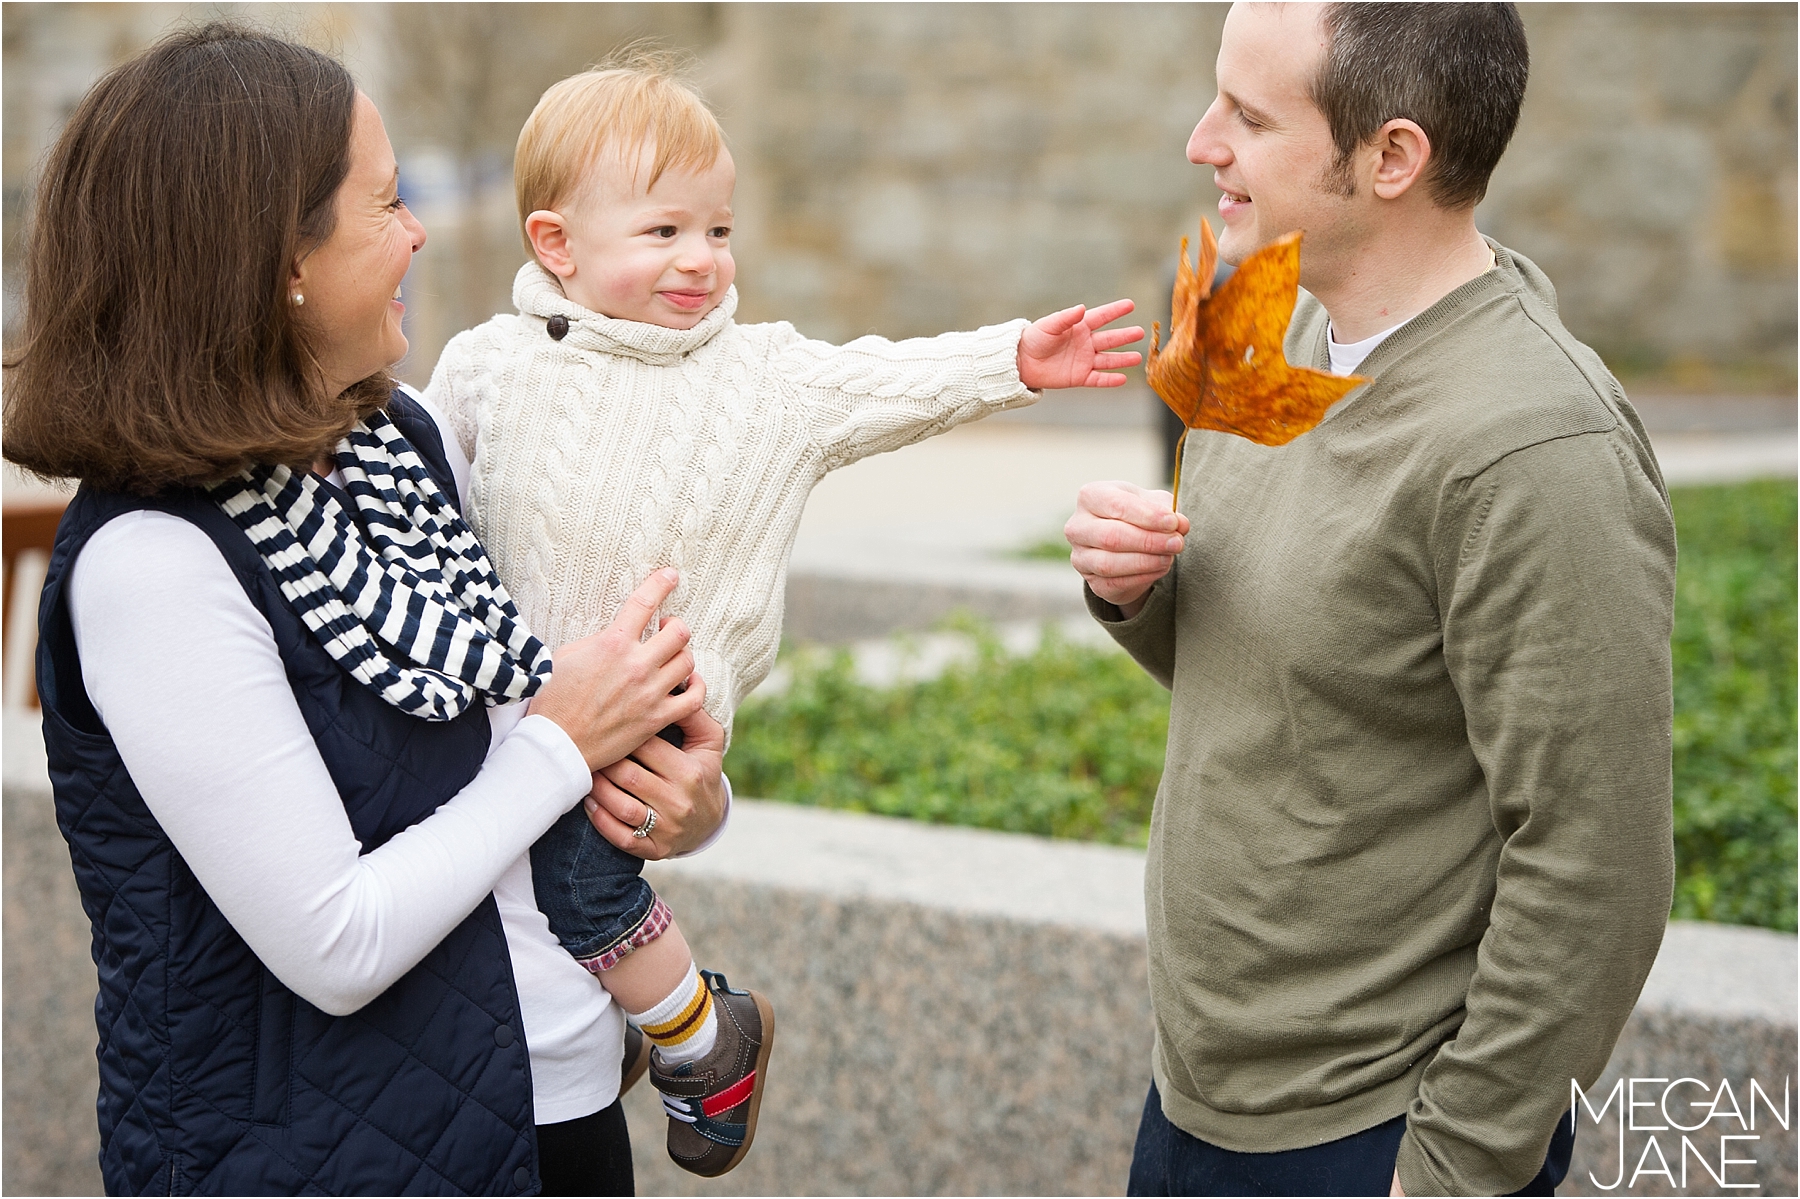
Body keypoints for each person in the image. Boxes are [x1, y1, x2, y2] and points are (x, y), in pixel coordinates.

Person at [2, 26, 730, 1196]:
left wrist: (683, 804)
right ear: (273, 259)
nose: (420, 229)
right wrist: (564, 742)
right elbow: (338, 941)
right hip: (319, 1155)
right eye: (385, 202)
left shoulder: (401, 443)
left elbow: (522, 757)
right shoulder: (155, 561)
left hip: (554, 1091)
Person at [422, 54, 1145, 1176]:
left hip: (654, 709)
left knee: (582, 877)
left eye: (718, 231)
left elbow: (889, 381)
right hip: (514, 703)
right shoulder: (485, 366)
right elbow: (427, 505)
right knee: (528, 877)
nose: (701, 261)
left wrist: (1015, 359)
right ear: (556, 245)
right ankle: (619, 1013)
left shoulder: (762, 380)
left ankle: (708, 1043)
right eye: (663, 233)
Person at [1064, 4, 1675, 1196]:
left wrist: (1452, 1168)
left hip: (1376, 1138)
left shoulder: (1534, 447)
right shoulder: (1266, 321)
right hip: (1196, 1093)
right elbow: (1289, 665)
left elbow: (1597, 868)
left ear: (1393, 157)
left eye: (1247, 115)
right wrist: (1138, 591)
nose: (1201, 142)